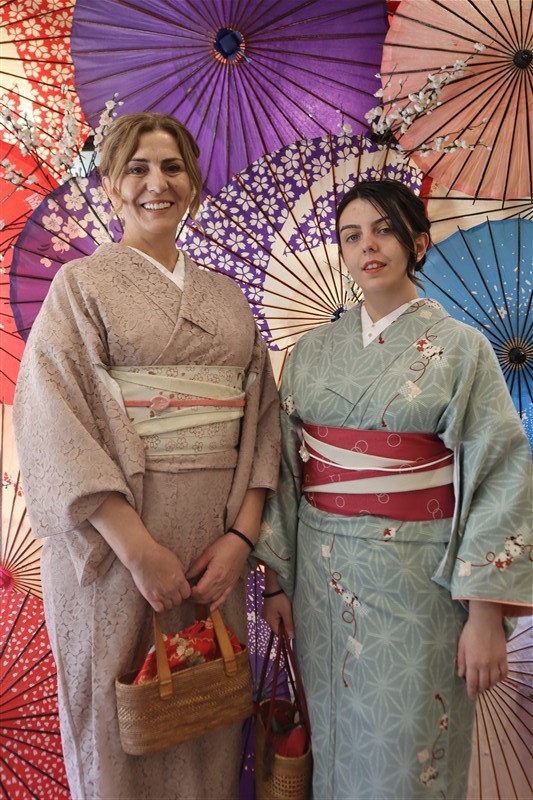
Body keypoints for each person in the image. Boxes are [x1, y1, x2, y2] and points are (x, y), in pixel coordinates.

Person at [13, 112, 280, 800]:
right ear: (109, 184)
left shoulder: (227, 298)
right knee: (117, 728)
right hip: (114, 550)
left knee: (205, 717)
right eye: (136, 168)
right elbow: (54, 422)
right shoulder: (80, 287)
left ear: (193, 184)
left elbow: (262, 422)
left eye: (172, 167)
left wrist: (241, 540)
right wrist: (136, 552)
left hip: (212, 550)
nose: (156, 183)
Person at [254, 179, 532, 800]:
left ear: (419, 243)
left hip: (418, 583)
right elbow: (287, 470)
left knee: (406, 762)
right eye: (351, 235)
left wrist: (486, 613)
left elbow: (499, 472)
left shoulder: (461, 349)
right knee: (334, 749)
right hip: (321, 582)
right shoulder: (310, 353)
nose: (368, 247)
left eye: (384, 230)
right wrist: (276, 581)